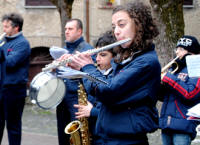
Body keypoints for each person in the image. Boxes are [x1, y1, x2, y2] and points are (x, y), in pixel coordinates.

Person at [62, 1, 161, 145]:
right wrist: (80, 69)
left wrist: (87, 67)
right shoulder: (128, 58)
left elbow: (108, 90)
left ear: (139, 25)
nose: (116, 31)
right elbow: (104, 93)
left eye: (121, 25)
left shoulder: (145, 62)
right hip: (109, 137)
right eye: (114, 27)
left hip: (127, 140)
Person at [73, 30, 116, 145]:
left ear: (115, 57)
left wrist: (92, 111)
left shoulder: (115, 78)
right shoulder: (100, 74)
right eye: (96, 55)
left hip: (107, 136)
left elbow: (114, 113)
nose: (97, 59)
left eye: (103, 55)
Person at [56, 18, 94, 145]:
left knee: (78, 136)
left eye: (70, 29)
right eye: (66, 29)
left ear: (79, 31)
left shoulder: (87, 50)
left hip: (77, 99)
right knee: (63, 135)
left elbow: (90, 75)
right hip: (62, 98)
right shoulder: (62, 50)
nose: (66, 32)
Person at [159, 35, 200, 145]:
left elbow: (190, 93)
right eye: (176, 49)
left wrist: (169, 78)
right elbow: (163, 97)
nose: (177, 52)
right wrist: (159, 84)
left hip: (183, 125)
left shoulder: (197, 69)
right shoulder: (174, 69)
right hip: (166, 124)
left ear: (191, 52)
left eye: (181, 49)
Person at [0, 13, 31, 145]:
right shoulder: (4, 41)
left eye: (6, 27)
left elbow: (10, 63)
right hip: (1, 88)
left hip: (14, 90)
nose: (3, 29)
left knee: (13, 127)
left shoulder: (23, 43)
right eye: (3, 26)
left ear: (16, 27)